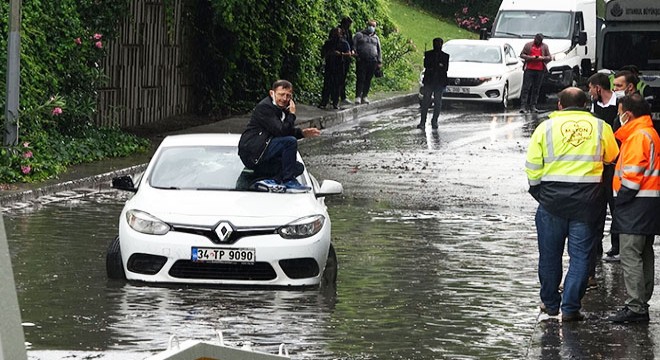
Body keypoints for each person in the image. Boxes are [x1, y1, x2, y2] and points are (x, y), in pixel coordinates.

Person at [525, 87, 619, 322]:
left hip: (552, 202)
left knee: (549, 256)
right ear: (586, 104)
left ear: (559, 104)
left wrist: (539, 192)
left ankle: (550, 303)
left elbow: (533, 166)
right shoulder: (600, 127)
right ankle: (570, 308)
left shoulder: (545, 128)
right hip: (587, 203)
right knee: (580, 257)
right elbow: (612, 156)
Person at [607, 93, 660, 323]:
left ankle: (636, 307)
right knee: (644, 253)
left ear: (627, 114)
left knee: (630, 254)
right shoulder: (649, 132)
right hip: (649, 202)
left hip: (635, 203)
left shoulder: (637, 136)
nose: (618, 117)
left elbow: (632, 177)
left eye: (619, 113)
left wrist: (620, 200)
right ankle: (641, 303)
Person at [238, 80, 321, 192]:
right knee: (290, 142)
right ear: (272, 93)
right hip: (254, 153)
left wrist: (302, 133)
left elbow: (284, 131)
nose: (284, 99)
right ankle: (288, 181)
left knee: (297, 167)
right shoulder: (265, 107)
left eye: (288, 96)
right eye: (281, 94)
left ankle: (268, 180)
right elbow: (281, 131)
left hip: (265, 156)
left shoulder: (281, 109)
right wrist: (291, 115)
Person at [586, 72, 620, 276]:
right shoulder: (593, 107)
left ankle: (616, 245)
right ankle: (596, 246)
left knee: (615, 206)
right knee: (598, 206)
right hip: (600, 162)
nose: (589, 91)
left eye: (591, 87)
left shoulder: (619, 105)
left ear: (598, 87)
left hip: (615, 161)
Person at [417, 37, 449, 130]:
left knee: (438, 102)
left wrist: (437, 66)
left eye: (439, 44)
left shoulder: (445, 56)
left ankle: (434, 121)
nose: (437, 45)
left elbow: (445, 68)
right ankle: (423, 121)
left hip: (439, 81)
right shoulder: (428, 54)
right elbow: (427, 65)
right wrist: (438, 65)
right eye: (436, 43)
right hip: (429, 81)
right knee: (426, 101)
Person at [318, 27, 351, 110]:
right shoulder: (328, 43)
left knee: (337, 85)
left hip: (340, 66)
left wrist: (340, 54)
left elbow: (349, 54)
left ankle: (335, 102)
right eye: (334, 33)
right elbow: (322, 53)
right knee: (327, 85)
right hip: (329, 66)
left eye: (338, 33)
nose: (336, 35)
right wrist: (329, 53)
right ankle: (324, 102)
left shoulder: (344, 43)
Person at [519, 33, 551, 114]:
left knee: (536, 89)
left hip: (540, 70)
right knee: (526, 88)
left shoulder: (545, 46)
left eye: (540, 41)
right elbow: (522, 55)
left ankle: (533, 106)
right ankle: (523, 106)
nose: (538, 42)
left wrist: (542, 58)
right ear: (535, 39)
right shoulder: (528, 45)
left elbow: (549, 57)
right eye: (537, 40)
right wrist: (531, 57)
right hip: (529, 69)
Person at [353, 19, 382, 105]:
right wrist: (355, 54)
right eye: (370, 25)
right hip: (362, 60)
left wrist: (379, 61)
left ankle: (364, 96)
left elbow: (379, 50)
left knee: (368, 79)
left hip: (373, 61)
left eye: (373, 26)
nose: (372, 27)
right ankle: (358, 96)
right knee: (360, 78)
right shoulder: (359, 35)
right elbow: (353, 45)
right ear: (367, 25)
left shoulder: (376, 38)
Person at [338, 16, 355, 106]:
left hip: (347, 57)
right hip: (340, 57)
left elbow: (351, 43)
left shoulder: (349, 32)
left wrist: (352, 50)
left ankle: (342, 96)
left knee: (343, 77)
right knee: (338, 77)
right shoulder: (339, 31)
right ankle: (337, 96)